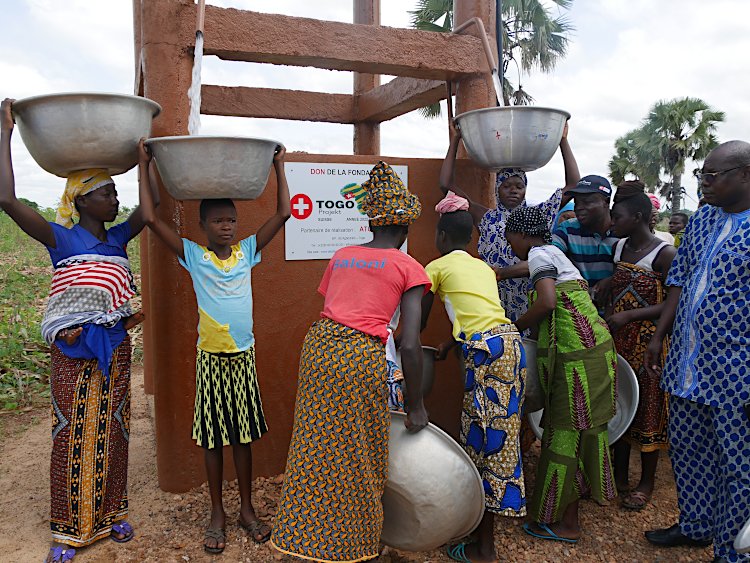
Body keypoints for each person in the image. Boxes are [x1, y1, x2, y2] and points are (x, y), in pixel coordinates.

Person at [0, 99, 155, 562]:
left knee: (116, 428)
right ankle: (68, 530)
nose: (115, 200)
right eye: (107, 193)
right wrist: (4, 133)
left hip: (115, 346)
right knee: (70, 433)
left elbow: (149, 212)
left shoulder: (118, 237)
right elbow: (6, 200)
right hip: (73, 350)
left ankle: (111, 514)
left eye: (116, 192)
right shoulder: (60, 238)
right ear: (82, 199)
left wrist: (145, 162)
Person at [271, 161, 430, 563]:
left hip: (319, 348)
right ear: (405, 228)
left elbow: (334, 306)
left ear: (371, 225)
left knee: (315, 449)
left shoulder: (342, 255)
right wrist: (416, 403)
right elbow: (409, 344)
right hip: (360, 356)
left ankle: (303, 538)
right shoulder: (409, 266)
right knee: (361, 452)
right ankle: (356, 548)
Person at [137, 140, 290, 553]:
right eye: (219, 220)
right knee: (213, 439)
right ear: (203, 226)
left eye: (231, 219)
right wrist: (144, 164)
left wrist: (279, 164)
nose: (227, 226)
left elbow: (284, 213)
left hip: (243, 358)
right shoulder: (193, 255)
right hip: (211, 361)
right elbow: (149, 217)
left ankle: (246, 509)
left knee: (243, 438)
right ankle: (217, 512)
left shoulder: (246, 252)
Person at [644, 140, 750, 563]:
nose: (703, 183)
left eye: (713, 175)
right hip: (688, 361)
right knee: (687, 449)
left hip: (736, 369)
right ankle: (695, 526)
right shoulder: (704, 218)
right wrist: (658, 335)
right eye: (701, 175)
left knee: (737, 465)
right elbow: (681, 280)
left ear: (744, 174)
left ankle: (732, 551)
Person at [421, 193, 525, 563]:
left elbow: (416, 319)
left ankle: (486, 548)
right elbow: (477, 310)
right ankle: (481, 531)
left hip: (485, 353)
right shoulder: (482, 268)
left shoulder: (436, 267)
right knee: (502, 435)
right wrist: (452, 342)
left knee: (485, 441)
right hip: (510, 345)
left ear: (441, 235)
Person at [505, 206, 617, 544]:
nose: (509, 243)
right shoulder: (553, 250)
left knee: (562, 437)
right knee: (583, 434)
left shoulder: (539, 254)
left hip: (574, 361)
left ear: (521, 235)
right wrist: (498, 272)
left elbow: (548, 302)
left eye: (510, 237)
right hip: (596, 351)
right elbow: (532, 268)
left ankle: (563, 522)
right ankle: (571, 512)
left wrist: (514, 326)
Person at [439, 121, 579, 324]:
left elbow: (574, 185)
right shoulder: (485, 217)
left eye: (519, 186)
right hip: (493, 300)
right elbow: (446, 185)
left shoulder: (538, 215)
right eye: (507, 186)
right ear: (497, 188)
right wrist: (455, 140)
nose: (514, 191)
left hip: (531, 302)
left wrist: (563, 141)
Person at [605, 191, 676, 510]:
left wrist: (633, 317)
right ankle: (619, 475)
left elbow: (674, 300)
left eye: (617, 217)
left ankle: (645, 483)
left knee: (648, 406)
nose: (612, 222)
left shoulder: (665, 253)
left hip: (649, 342)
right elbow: (619, 282)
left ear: (636, 218)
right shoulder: (619, 247)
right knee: (621, 402)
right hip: (620, 340)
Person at [552, 175, 618, 307]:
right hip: (579, 314)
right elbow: (548, 256)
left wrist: (613, 280)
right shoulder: (568, 229)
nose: (579, 208)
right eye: (577, 202)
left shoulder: (623, 231)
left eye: (587, 202)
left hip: (617, 314)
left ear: (606, 202)